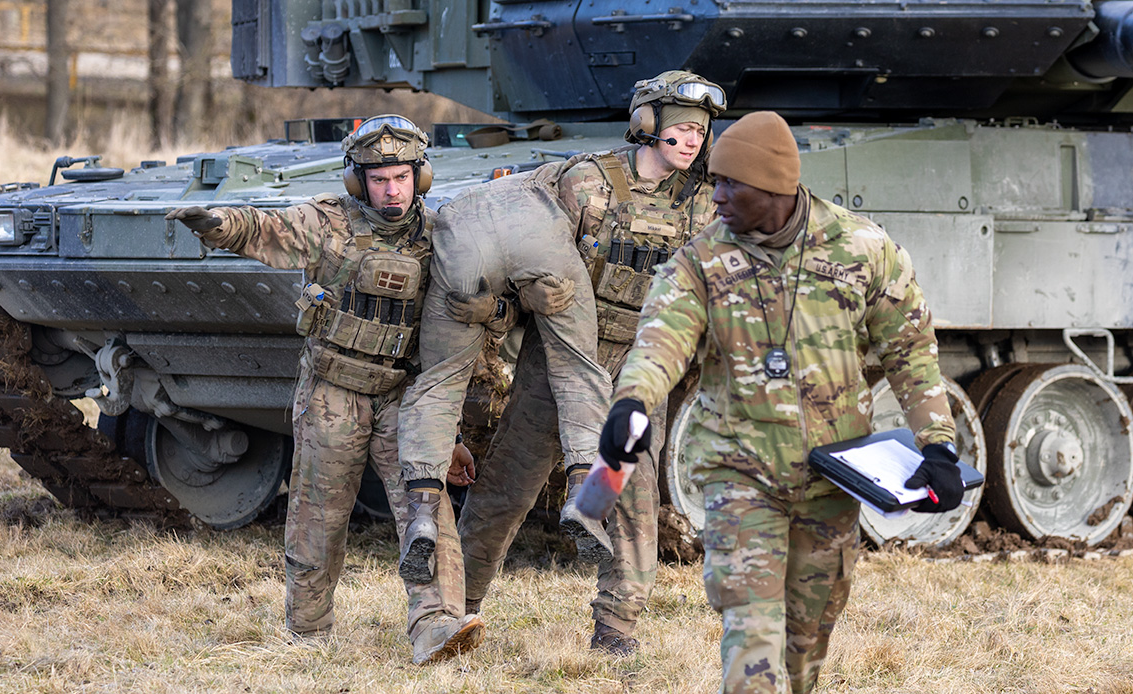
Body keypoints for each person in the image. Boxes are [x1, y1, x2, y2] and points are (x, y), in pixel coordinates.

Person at [597, 111, 963, 692]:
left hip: (832, 479)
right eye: (714, 181)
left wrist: (938, 445)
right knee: (753, 632)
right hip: (739, 474)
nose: (715, 196)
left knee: (805, 640)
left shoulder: (863, 249)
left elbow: (910, 350)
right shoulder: (701, 261)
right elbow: (661, 340)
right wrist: (633, 401)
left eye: (728, 184)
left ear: (772, 187)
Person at [165, 115, 483, 665]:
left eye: (402, 177)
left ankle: (436, 624)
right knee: (319, 517)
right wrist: (216, 223)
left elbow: (460, 334)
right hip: (333, 392)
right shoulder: (327, 221)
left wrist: (447, 433)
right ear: (358, 181)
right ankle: (308, 631)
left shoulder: (442, 237)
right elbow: (266, 229)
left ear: (421, 177)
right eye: (379, 179)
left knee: (425, 512)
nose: (392, 190)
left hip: (404, 397)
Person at [453, 70, 726, 656]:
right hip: (560, 362)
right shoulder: (587, 184)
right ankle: (456, 609)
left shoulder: (704, 206)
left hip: (639, 369)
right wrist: (507, 308)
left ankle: (616, 629)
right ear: (647, 123)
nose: (692, 140)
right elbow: (519, 262)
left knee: (633, 496)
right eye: (681, 127)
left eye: (700, 131)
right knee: (507, 490)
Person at [394, 155, 615, 622]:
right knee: (579, 371)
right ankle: (584, 497)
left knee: (438, 384)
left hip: (462, 237)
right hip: (542, 234)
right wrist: (529, 299)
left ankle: (422, 514)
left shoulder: (448, 208)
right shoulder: (579, 173)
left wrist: (495, 309)